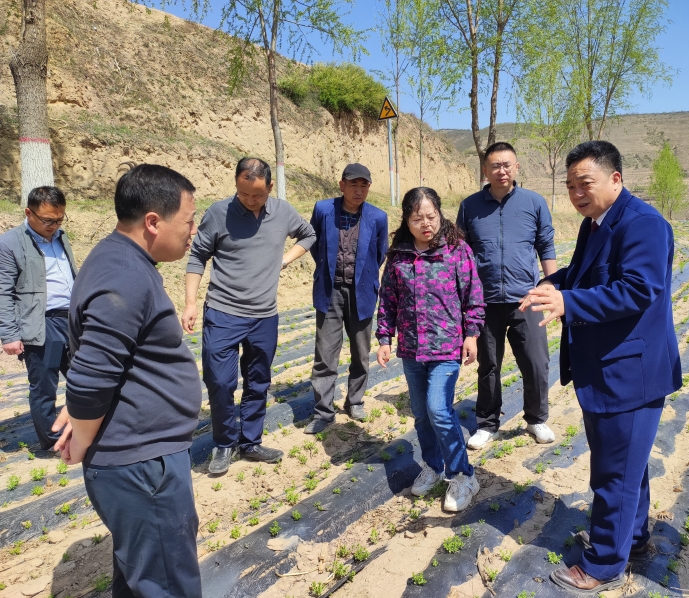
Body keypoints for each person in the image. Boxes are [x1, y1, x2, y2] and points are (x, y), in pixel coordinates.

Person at [520, 140, 682, 593]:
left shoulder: (643, 223)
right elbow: (583, 273)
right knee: (628, 466)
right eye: (570, 185)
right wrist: (552, 285)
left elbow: (638, 288)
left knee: (614, 474)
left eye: (584, 183)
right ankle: (633, 539)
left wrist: (568, 303)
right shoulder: (596, 223)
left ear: (615, 178)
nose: (576, 194)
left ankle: (604, 565)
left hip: (629, 373)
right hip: (607, 368)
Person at [55, 164, 203, 596]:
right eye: (189, 221)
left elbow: (102, 359)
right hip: (142, 466)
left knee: (143, 578)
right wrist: (83, 432)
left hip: (139, 458)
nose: (193, 231)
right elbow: (90, 377)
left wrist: (82, 415)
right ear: (153, 222)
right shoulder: (124, 274)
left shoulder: (119, 259)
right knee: (166, 584)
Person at [182, 157, 316, 475]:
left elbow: (309, 235)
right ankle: (224, 443)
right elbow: (198, 256)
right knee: (219, 382)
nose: (250, 200)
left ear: (270, 187)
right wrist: (189, 303)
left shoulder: (283, 212)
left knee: (258, 382)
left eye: (257, 194)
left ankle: (251, 443)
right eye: (243, 193)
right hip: (223, 312)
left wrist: (284, 260)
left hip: (264, 316)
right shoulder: (218, 213)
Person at [376, 187, 485, 512]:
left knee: (439, 410)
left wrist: (472, 334)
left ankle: (464, 475)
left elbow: (473, 295)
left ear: (439, 214)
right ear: (406, 221)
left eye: (431, 216)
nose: (426, 224)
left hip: (446, 347)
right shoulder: (398, 257)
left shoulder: (456, 250)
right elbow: (388, 300)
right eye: (417, 218)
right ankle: (434, 466)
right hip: (412, 349)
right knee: (422, 415)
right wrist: (384, 338)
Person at [456, 141, 557, 449]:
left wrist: (550, 285)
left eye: (507, 165)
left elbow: (546, 245)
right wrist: (462, 296)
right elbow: (461, 253)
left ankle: (536, 419)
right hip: (484, 301)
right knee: (489, 365)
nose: (501, 170)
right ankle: (487, 424)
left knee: (536, 362)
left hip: (527, 298)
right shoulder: (470, 206)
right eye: (495, 165)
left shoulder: (534, 202)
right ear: (485, 170)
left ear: (516, 168)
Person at [304, 164, 389, 434]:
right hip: (329, 291)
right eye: (354, 185)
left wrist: (364, 277)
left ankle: (355, 401)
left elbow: (380, 253)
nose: (359, 190)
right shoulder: (323, 210)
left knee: (361, 353)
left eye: (364, 185)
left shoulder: (378, 217)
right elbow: (314, 244)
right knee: (325, 354)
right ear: (342, 185)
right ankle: (323, 411)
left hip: (361, 292)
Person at [0, 186, 76, 451]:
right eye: (47, 220)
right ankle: (54, 442)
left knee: (85, 377)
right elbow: (3, 291)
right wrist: (9, 334)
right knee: (45, 387)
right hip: (41, 322)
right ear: (28, 213)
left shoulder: (60, 237)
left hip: (71, 319)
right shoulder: (10, 243)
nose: (53, 226)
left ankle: (87, 430)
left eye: (59, 219)